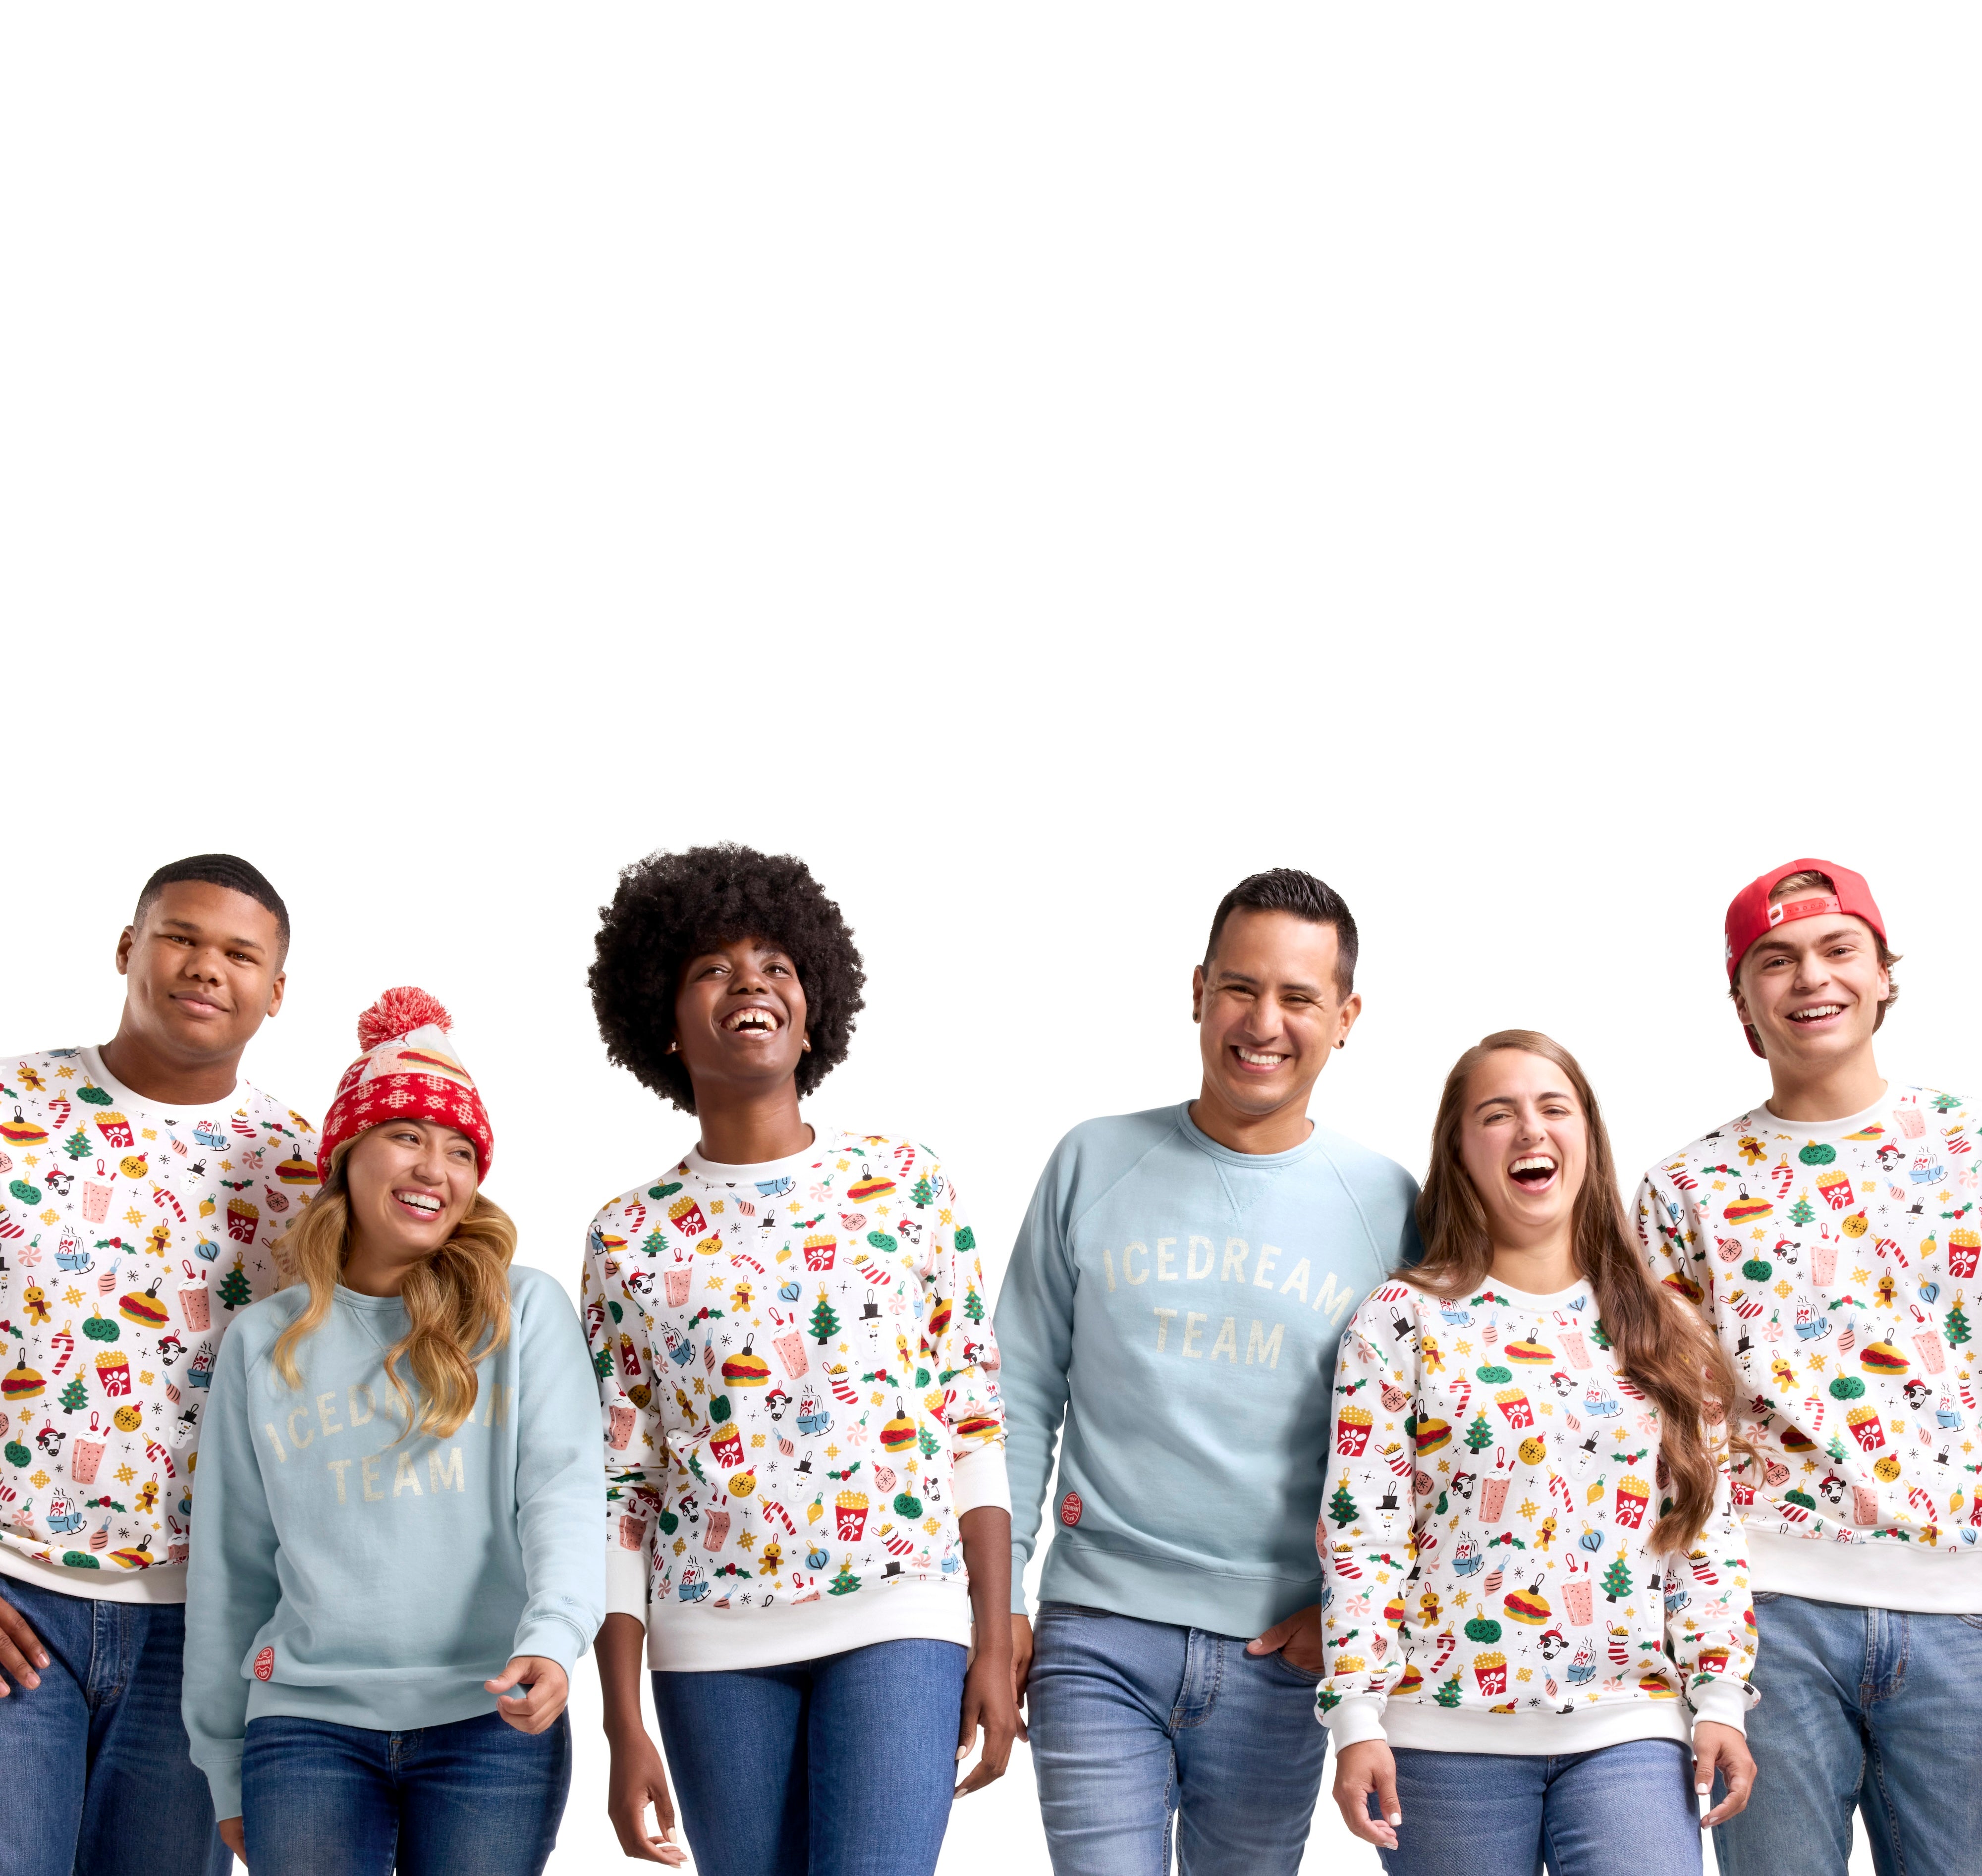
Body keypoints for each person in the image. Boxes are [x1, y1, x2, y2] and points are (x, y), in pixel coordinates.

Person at [583, 844, 1015, 1876]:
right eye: (712, 969)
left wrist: (993, 1636)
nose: (750, 984)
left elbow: (972, 1419)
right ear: (665, 1025)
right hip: (710, 1641)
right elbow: (621, 1486)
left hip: (900, 1609)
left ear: (812, 1009)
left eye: (776, 964)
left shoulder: (903, 1183)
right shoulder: (626, 1236)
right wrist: (620, 1723)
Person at [996, 866, 1421, 1876]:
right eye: (1239, 988)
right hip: (1097, 1632)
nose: (1261, 1021)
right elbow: (1013, 1392)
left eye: (1297, 997)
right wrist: (1002, 1595)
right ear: (1197, 991)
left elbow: (1427, 1438)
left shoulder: (1388, 1201)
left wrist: (1352, 1617)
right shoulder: (1093, 1160)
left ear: (1345, 1015)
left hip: (1280, 1655)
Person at [182, 987, 603, 1876]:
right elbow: (232, 1565)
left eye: (460, 1152)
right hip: (305, 1728)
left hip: (490, 1717)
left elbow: (563, 1495)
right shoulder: (264, 1341)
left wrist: (554, 1638)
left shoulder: (523, 1312)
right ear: (347, 1156)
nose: (434, 1170)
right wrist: (223, 1763)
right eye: (406, 1136)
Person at [1321, 1031, 1756, 1876]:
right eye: (1498, 1114)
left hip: (1632, 1725)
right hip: (1445, 1739)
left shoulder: (1666, 1332)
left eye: (1554, 1108)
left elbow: (1702, 1536)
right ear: (1458, 1150)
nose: (1531, 1131)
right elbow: (1363, 1538)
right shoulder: (1398, 1323)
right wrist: (1357, 1718)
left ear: (1587, 1135)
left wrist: (1722, 1699)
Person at [1637, 860, 1982, 1876]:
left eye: (1837, 950)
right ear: (1742, 1000)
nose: (1808, 978)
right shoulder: (1684, 1189)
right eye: (1773, 960)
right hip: (1768, 1623)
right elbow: (1676, 1437)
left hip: (1962, 1613)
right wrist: (1703, 1659)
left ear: (1882, 974)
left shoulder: (1964, 1149)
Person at [0, 855, 314, 1876]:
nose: (207, 968)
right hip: (17, 1601)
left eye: (241, 954)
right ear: (130, 948)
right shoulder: (16, 1107)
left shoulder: (305, 1171)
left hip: (204, 1633)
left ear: (275, 991)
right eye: (182, 936)